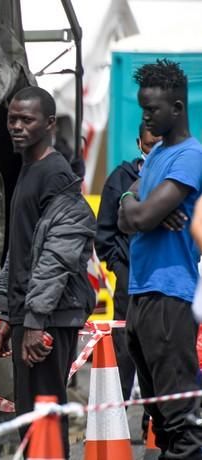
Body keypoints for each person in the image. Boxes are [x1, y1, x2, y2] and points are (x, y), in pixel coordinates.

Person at [0, 86, 96, 455]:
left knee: (45, 418)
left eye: (26, 119)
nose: (16, 126)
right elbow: (20, 251)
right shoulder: (27, 169)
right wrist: (8, 314)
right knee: (31, 417)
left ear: (49, 123)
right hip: (29, 316)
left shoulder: (55, 174)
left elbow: (57, 254)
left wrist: (34, 320)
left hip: (49, 318)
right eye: (11, 118)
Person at [118, 58, 202, 459]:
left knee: (181, 422)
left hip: (170, 295)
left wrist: (141, 210)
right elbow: (127, 212)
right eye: (143, 108)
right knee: (158, 419)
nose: (146, 117)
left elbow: (143, 215)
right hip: (141, 295)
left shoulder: (190, 156)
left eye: (152, 109)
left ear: (178, 108)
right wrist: (133, 204)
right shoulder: (155, 157)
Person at [95, 122, 161, 402]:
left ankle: (156, 422)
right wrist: (120, 269)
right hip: (129, 278)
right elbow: (104, 233)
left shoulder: (178, 177)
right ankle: (115, 412)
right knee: (123, 347)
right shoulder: (120, 179)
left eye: (160, 145)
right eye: (148, 146)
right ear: (138, 144)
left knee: (161, 350)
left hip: (164, 278)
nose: (154, 151)